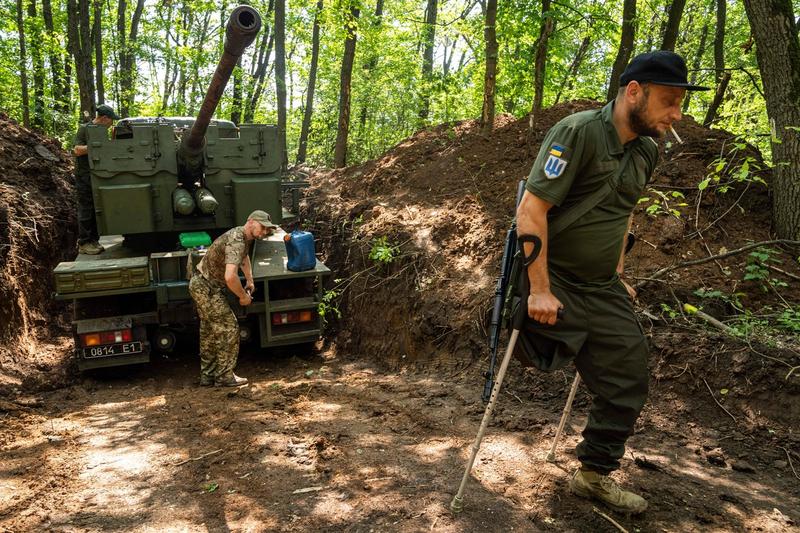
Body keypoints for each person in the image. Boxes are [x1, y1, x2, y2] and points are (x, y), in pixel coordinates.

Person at [515, 51, 708, 513]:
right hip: (553, 279)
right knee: (539, 349)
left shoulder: (647, 149)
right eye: (669, 101)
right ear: (634, 91)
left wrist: (618, 273)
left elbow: (622, 213)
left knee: (629, 376)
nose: (676, 115)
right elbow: (531, 211)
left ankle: (593, 474)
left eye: (679, 103)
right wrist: (539, 290)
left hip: (600, 285)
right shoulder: (578, 132)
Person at [189, 210, 278, 387]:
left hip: (202, 284)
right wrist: (243, 296)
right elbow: (230, 277)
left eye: (267, 230)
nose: (264, 232)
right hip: (207, 287)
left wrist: (250, 279)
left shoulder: (242, 236)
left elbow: (243, 258)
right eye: (262, 227)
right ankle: (223, 376)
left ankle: (208, 375)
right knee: (228, 328)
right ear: (251, 221)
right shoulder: (238, 240)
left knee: (209, 330)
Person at [72, 104, 120, 255]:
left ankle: (93, 239)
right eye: (111, 120)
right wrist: (96, 147)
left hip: (98, 175)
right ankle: (84, 242)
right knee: (86, 209)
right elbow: (77, 150)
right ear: (104, 118)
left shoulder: (102, 131)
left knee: (96, 209)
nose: (112, 123)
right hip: (84, 175)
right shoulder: (84, 128)